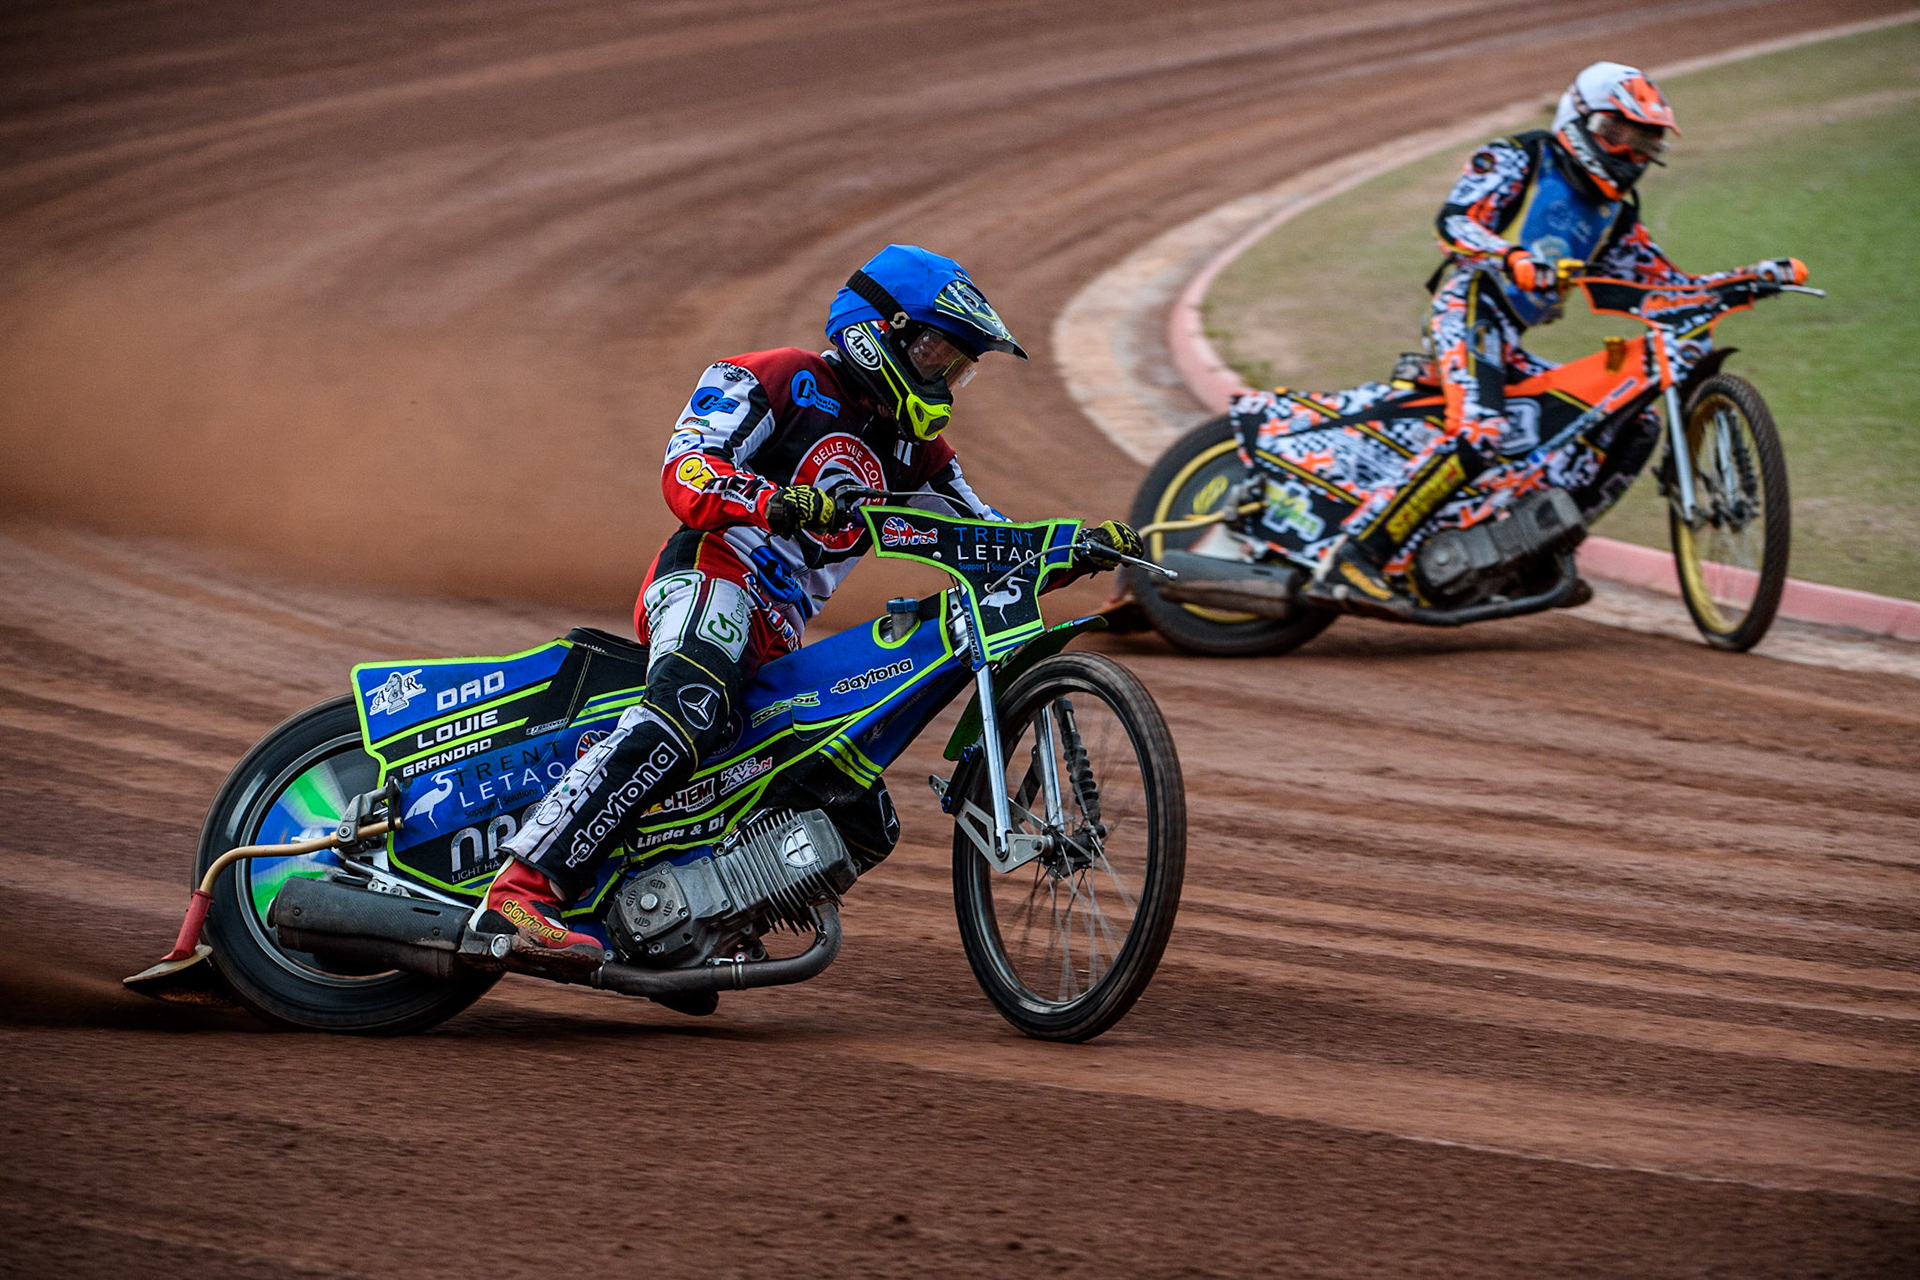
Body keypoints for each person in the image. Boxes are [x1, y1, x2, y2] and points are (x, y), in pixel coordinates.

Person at [470, 244, 1143, 970]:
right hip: (712, 576)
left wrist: (1073, 548)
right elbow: (686, 467)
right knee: (691, 708)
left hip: (781, 632)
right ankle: (521, 891)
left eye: (956, 367)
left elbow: (986, 538)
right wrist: (773, 501)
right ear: (880, 332)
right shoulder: (783, 377)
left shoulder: (916, 453)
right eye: (936, 354)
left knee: (852, 806)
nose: (944, 379)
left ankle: (688, 926)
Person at [1303, 61, 1803, 618]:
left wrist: (1746, 280)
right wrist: (1510, 257)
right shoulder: (1519, 157)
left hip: (1509, 339)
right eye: (1617, 133)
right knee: (1481, 431)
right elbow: (1455, 223)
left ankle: (1536, 552)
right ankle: (1354, 557)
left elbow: (1666, 288)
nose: (1629, 152)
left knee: (1635, 423)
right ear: (1578, 117)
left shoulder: (1615, 215)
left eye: (1644, 142)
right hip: (1469, 310)